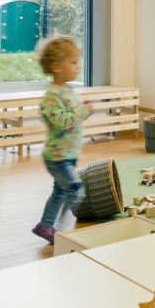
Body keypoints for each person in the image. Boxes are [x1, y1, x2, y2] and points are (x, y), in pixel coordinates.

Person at [31, 35, 90, 245]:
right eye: (73, 62)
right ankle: (64, 232)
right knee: (75, 190)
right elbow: (62, 123)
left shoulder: (67, 90)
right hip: (58, 158)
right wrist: (82, 111)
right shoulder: (51, 97)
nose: (78, 67)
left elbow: (73, 116)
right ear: (56, 66)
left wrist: (82, 110)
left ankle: (45, 226)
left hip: (69, 154)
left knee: (59, 192)